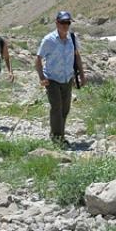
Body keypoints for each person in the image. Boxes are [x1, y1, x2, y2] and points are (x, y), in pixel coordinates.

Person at [35, 11, 83, 146]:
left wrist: (82, 74)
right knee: (56, 107)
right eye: (62, 22)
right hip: (52, 79)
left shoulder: (72, 38)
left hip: (67, 79)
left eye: (67, 22)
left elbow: (77, 56)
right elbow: (38, 59)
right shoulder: (48, 40)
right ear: (57, 23)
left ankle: (57, 133)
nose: (65, 25)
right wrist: (41, 77)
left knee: (65, 109)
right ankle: (58, 138)